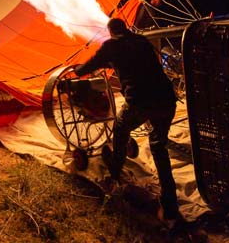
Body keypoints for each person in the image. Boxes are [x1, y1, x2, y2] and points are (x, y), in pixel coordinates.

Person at [74, 18, 182, 226]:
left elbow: (90, 65)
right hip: (166, 100)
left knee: (120, 129)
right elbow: (135, 61)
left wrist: (78, 70)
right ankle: (170, 207)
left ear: (111, 32)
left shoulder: (111, 46)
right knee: (159, 147)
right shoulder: (141, 41)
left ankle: (114, 175)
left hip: (139, 102)